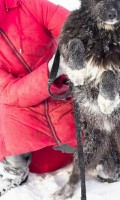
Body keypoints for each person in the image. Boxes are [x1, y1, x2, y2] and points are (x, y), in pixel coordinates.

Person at [0, 0, 77, 196]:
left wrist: (72, 51)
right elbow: (10, 91)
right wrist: (50, 71)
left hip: (63, 94)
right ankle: (14, 169)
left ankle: (102, 153)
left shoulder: (27, 4)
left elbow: (75, 27)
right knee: (5, 105)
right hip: (25, 119)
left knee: (94, 96)